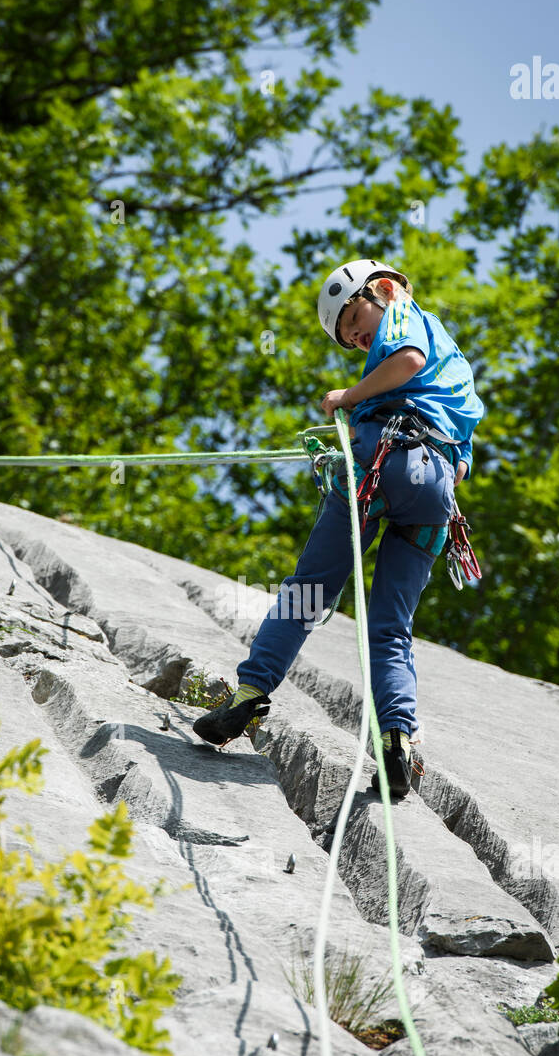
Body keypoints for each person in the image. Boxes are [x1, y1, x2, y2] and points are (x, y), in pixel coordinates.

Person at [193, 258, 484, 799]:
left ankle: (248, 695)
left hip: (383, 459)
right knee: (391, 627)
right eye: (349, 339)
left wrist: (347, 399)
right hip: (436, 491)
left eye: (353, 320)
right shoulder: (459, 374)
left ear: (382, 287)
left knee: (310, 590)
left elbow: (405, 360)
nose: (355, 337)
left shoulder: (401, 310)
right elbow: (462, 463)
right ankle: (397, 740)